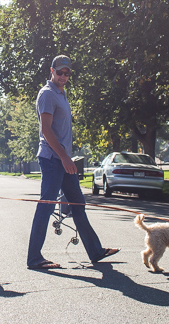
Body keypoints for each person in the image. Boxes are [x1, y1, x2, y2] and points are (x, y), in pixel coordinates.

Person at [27, 55, 119, 269]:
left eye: (67, 73)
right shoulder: (48, 94)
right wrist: (65, 157)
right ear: (52, 71)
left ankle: (95, 251)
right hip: (52, 159)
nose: (63, 76)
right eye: (60, 72)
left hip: (62, 159)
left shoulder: (62, 93)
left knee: (78, 204)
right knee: (46, 206)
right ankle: (34, 258)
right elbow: (46, 130)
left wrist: (66, 158)